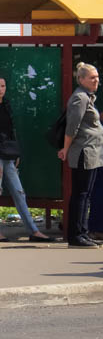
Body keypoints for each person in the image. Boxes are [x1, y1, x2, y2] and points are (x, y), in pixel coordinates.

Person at [0, 75, 50, 243]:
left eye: (3, 86)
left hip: (7, 153)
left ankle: (33, 231)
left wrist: (14, 152)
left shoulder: (7, 104)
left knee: (19, 191)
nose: (0, 89)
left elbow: (11, 130)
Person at [57, 62, 103, 248]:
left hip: (92, 152)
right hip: (83, 152)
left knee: (86, 194)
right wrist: (66, 149)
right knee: (80, 194)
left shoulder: (88, 97)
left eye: (97, 77)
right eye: (92, 77)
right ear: (81, 79)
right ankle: (75, 235)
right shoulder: (80, 98)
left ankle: (82, 232)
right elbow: (72, 127)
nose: (96, 80)